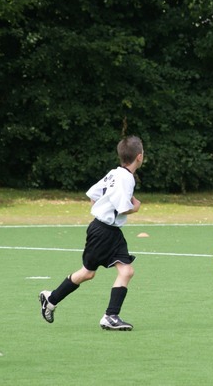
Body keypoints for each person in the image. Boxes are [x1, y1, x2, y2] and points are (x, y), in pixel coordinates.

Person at [38, 135, 144, 330]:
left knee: (123, 271)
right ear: (139, 156)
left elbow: (93, 194)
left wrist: (101, 213)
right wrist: (135, 207)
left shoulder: (114, 173)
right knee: (88, 273)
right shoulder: (126, 178)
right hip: (104, 232)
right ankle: (53, 299)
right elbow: (122, 207)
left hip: (108, 231)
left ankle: (108, 315)